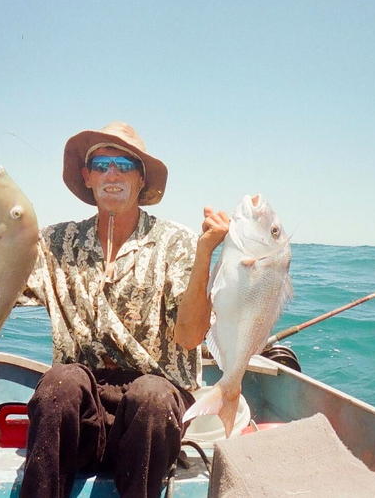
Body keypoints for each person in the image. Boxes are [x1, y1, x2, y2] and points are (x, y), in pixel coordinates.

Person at [17, 121, 229, 498]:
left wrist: (205, 254)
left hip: (152, 417)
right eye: (101, 164)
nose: (111, 173)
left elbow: (191, 336)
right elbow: (3, 289)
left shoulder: (178, 242)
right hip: (83, 410)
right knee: (58, 385)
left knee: (151, 396)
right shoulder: (52, 241)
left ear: (141, 178)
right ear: (86, 176)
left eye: (124, 163)